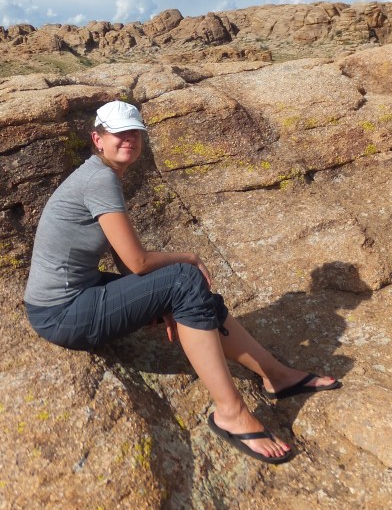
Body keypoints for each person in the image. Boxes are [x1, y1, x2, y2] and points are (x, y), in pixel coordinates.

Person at [24, 100, 340, 464]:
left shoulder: (99, 174)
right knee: (184, 279)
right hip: (62, 313)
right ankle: (231, 413)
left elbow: (125, 259)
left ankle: (276, 375)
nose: (129, 140)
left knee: (190, 294)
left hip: (74, 298)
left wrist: (159, 301)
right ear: (98, 139)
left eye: (135, 133)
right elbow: (138, 261)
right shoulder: (99, 180)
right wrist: (188, 257)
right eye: (119, 133)